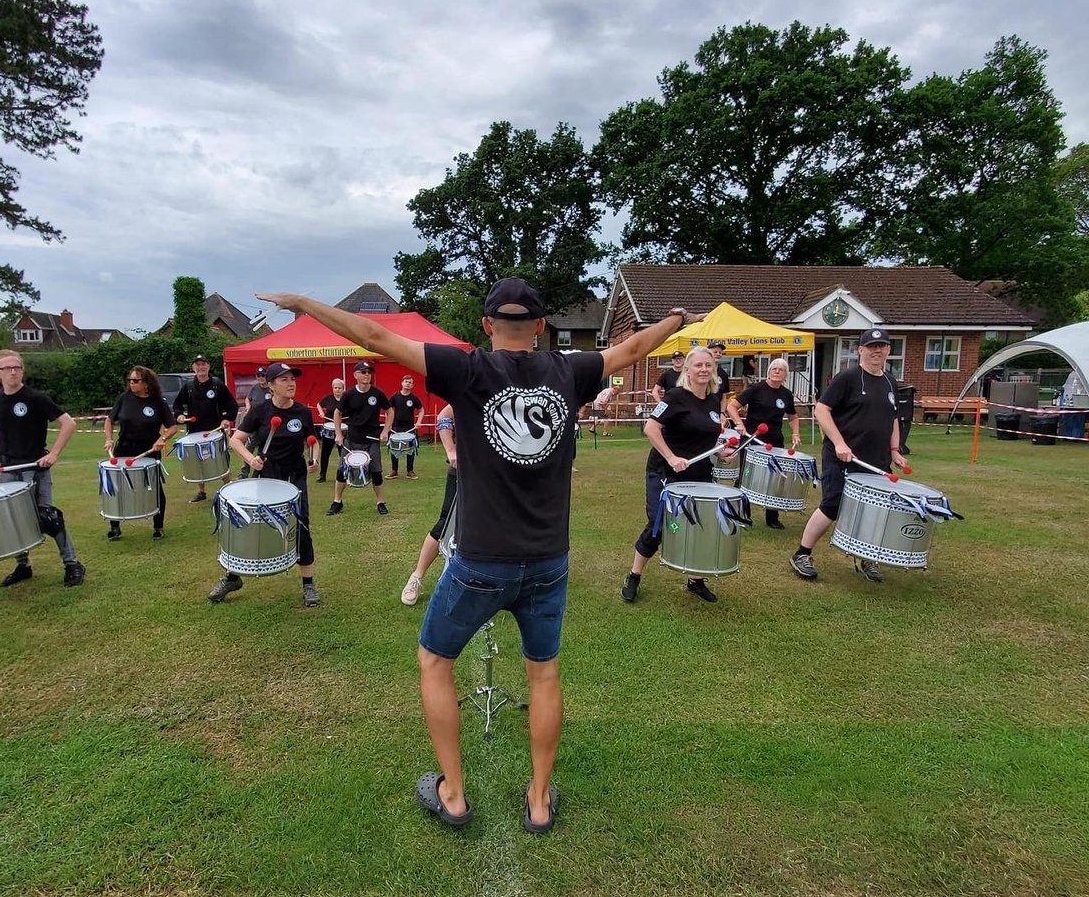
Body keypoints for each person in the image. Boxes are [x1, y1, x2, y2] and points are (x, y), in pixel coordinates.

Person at [256, 278, 704, 834]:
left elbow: (372, 335)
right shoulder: (569, 371)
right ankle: (539, 801)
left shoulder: (468, 369)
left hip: (480, 562)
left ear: (487, 325)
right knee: (544, 675)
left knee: (434, 660)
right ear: (541, 327)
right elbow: (636, 347)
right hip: (547, 561)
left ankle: (454, 794)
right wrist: (677, 320)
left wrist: (301, 302)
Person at [790, 328, 907, 583]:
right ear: (860, 350)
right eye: (871, 346)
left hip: (875, 461)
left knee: (873, 509)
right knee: (832, 505)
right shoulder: (848, 378)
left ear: (889, 350)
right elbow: (822, 410)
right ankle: (802, 554)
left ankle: (867, 558)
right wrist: (840, 443)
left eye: (882, 346)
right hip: (841, 457)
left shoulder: (890, 381)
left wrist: (895, 450)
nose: (877, 350)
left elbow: (893, 418)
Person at [621, 347, 732, 605]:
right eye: (698, 365)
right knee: (658, 526)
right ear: (687, 369)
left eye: (708, 365)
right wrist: (671, 457)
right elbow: (651, 427)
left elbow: (708, 436)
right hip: (664, 471)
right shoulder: (675, 397)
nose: (704, 369)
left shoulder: (714, 400)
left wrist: (721, 451)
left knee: (699, 525)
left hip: (699, 473)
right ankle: (634, 576)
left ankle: (695, 581)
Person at [208, 362, 322, 606]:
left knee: (301, 526)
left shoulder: (302, 412)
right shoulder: (260, 411)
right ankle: (232, 577)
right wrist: (251, 459)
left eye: (292, 378)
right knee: (251, 525)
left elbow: (313, 441)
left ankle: (308, 584)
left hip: (295, 477)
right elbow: (236, 440)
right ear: (270, 386)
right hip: (267, 476)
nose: (291, 383)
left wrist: (315, 460)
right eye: (284, 380)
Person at [0, 349, 86, 587]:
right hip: (8, 469)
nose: (13, 372)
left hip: (35, 467)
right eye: (7, 368)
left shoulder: (36, 398)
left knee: (47, 517)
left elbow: (69, 424)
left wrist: (53, 454)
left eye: (17, 367)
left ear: (22, 371)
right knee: (12, 518)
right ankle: (23, 565)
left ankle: (72, 564)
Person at [103, 365, 178, 540]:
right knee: (119, 488)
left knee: (155, 489)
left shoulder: (158, 402)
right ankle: (115, 527)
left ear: (146, 383)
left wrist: (162, 439)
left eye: (136, 380)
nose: (132, 383)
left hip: (149, 451)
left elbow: (173, 427)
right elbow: (109, 420)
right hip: (124, 449)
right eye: (130, 380)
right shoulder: (124, 399)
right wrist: (109, 439)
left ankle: (158, 526)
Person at [725, 357, 802, 529]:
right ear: (768, 372)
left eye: (780, 369)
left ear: (785, 375)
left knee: (775, 478)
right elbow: (732, 407)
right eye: (773, 368)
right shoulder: (756, 389)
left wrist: (796, 433)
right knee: (745, 477)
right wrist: (739, 423)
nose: (776, 371)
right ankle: (743, 515)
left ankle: (772, 518)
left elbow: (793, 416)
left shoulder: (786, 394)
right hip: (752, 438)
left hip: (775, 441)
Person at [401, 404, 456, 606]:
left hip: (500, 476)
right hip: (464, 469)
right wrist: (451, 451)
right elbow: (443, 417)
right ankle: (416, 577)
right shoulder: (478, 385)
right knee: (445, 522)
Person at [328, 361, 390, 516]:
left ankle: (380, 502)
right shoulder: (348, 394)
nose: (367, 375)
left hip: (372, 440)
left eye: (369, 372)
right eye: (363, 372)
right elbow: (337, 413)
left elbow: (390, 411)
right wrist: (338, 433)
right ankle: (337, 502)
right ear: (355, 375)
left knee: (376, 473)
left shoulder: (377, 393)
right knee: (342, 472)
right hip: (352, 439)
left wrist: (385, 431)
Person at [173, 354, 238, 502]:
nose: (201, 367)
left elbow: (231, 405)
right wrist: (179, 415)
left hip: (215, 431)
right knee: (197, 462)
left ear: (208, 367)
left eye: (204, 364)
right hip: (195, 431)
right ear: (193, 368)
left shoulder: (217, 385)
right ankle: (201, 493)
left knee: (219, 459)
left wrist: (226, 419)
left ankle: (230, 489)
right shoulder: (188, 387)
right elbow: (177, 405)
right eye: (198, 365)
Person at [387, 374, 426, 479]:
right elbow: (388, 410)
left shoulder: (414, 398)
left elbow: (421, 410)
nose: (408, 384)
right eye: (406, 381)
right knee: (394, 449)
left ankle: (410, 471)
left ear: (412, 385)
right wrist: (388, 424)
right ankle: (394, 471)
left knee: (411, 449)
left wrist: (419, 422)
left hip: (409, 427)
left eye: (410, 382)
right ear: (402, 383)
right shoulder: (395, 397)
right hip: (396, 427)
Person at [314, 378, 345, 482]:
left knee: (343, 454)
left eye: (339, 388)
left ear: (343, 389)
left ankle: (343, 474)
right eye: (335, 388)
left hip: (342, 430)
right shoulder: (328, 398)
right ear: (332, 388)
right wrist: (321, 412)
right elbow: (319, 404)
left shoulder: (346, 399)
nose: (337, 390)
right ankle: (322, 475)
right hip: (329, 428)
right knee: (325, 453)